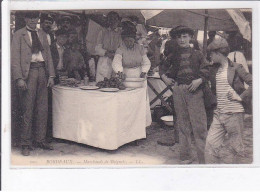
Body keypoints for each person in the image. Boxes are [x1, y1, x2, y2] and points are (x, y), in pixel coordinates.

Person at [159, 25, 210, 164]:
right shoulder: (172, 55)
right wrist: (165, 78)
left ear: (190, 37)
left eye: (184, 36)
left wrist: (199, 80)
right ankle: (186, 156)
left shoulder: (198, 54)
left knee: (199, 126)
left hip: (195, 92)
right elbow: (161, 68)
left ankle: (203, 158)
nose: (182, 40)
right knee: (183, 125)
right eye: (179, 37)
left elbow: (206, 70)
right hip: (178, 91)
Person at [11, 11, 55, 156]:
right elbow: (15, 58)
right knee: (27, 108)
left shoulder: (42, 34)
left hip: (42, 70)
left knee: (43, 108)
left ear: (38, 19)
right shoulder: (19, 34)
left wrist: (51, 75)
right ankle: (25, 142)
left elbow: (48, 55)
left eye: (35, 17)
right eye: (29, 17)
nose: (32, 20)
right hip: (27, 73)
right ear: (25, 18)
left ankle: (40, 140)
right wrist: (19, 78)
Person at [205, 38, 252, 164]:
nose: (210, 56)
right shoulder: (214, 69)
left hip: (234, 114)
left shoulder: (236, 67)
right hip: (219, 114)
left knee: (236, 149)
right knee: (210, 146)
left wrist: (240, 97)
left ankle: (236, 179)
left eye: (211, 54)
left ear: (218, 53)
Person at [95, 11, 122, 82]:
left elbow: (122, 48)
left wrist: (116, 55)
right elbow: (97, 49)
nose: (113, 21)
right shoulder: (102, 32)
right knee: (103, 83)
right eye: (111, 19)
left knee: (116, 83)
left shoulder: (121, 33)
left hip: (116, 59)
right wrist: (107, 53)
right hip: (104, 60)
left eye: (115, 19)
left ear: (118, 21)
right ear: (108, 21)